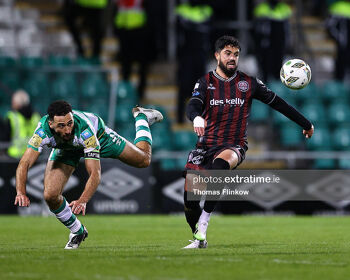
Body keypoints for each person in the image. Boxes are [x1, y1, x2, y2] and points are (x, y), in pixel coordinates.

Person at [182, 35, 314, 249]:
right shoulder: (205, 82)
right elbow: (193, 104)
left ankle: (204, 225)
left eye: (235, 54)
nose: (232, 58)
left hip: (234, 145)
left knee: (220, 166)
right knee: (189, 202)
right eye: (227, 53)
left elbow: (279, 104)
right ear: (217, 56)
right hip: (204, 146)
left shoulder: (249, 83)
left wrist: (306, 123)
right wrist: (196, 117)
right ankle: (199, 236)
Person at [14, 101, 163, 249]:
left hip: (100, 138)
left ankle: (142, 117)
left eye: (70, 123)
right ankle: (78, 231)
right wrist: (20, 192)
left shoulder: (86, 131)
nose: (67, 130)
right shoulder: (42, 131)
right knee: (50, 195)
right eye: (61, 125)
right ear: (51, 124)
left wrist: (82, 200)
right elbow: (24, 163)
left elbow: (95, 173)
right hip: (66, 148)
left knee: (143, 160)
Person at [113, 0, 150, 99]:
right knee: (125, 63)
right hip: (123, 27)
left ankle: (140, 92)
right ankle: (126, 91)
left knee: (141, 63)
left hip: (139, 28)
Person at [253, 0, 292, 82]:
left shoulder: (284, 8)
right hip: (266, 44)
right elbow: (258, 29)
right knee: (265, 68)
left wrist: (288, 43)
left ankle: (277, 87)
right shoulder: (261, 8)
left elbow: (287, 29)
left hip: (279, 43)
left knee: (278, 67)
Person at [0, 90, 41, 159]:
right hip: (34, 157)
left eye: (13, 102)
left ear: (17, 104)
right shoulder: (37, 117)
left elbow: (4, 138)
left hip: (14, 157)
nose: (12, 104)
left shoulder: (12, 117)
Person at [326, 0, 350, 81]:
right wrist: (340, 38)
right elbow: (329, 25)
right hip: (343, 46)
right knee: (341, 68)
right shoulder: (338, 7)